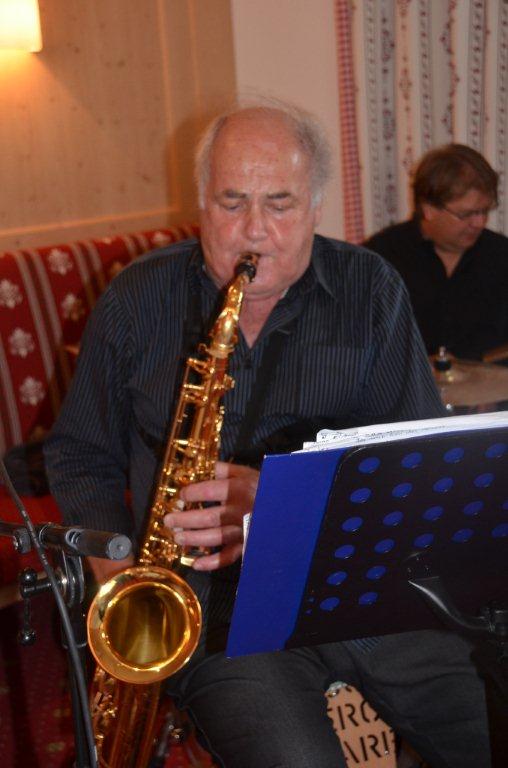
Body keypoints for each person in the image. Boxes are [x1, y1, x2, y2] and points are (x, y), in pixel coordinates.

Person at [44, 101, 491, 768]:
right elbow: (80, 451)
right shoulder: (137, 299)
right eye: (232, 203)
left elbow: (413, 467)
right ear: (202, 202)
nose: (253, 230)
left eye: (280, 204)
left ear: (315, 207)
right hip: (213, 618)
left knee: (486, 727)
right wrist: (119, 575)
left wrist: (280, 508)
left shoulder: (371, 289)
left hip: (356, 591)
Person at [365, 143, 508, 361]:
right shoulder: (380, 258)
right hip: (406, 382)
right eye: (466, 214)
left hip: (492, 382)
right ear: (429, 209)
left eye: (484, 211)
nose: (479, 222)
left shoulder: (502, 256)